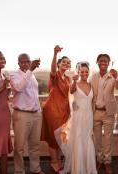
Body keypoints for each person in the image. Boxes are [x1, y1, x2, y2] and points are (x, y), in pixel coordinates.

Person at [57, 62, 97, 174]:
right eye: (82, 71)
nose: (84, 73)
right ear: (78, 72)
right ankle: (78, 169)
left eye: (86, 71)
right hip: (78, 116)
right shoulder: (75, 84)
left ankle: (89, 168)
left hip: (88, 116)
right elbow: (72, 91)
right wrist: (74, 81)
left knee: (87, 139)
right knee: (79, 140)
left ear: (88, 72)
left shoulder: (91, 85)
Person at [10, 54, 44, 174]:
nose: (25, 64)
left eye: (27, 61)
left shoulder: (32, 75)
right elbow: (19, 88)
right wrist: (30, 70)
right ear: (18, 63)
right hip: (22, 115)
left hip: (36, 114)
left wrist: (39, 110)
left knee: (35, 145)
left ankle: (36, 169)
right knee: (19, 147)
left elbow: (34, 94)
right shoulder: (13, 75)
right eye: (22, 62)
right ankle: (19, 171)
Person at [41, 45, 71, 173]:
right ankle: (54, 162)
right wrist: (54, 54)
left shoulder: (68, 78)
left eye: (68, 63)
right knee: (53, 138)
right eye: (63, 62)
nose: (66, 64)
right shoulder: (55, 75)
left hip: (64, 111)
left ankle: (58, 161)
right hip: (53, 110)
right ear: (59, 64)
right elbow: (52, 70)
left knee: (61, 138)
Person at [91, 54, 118, 174]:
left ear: (109, 63)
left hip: (108, 112)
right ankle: (100, 160)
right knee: (97, 139)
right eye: (101, 61)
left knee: (108, 139)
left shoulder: (113, 76)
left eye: (105, 61)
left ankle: (107, 162)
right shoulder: (93, 77)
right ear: (97, 62)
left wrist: (117, 77)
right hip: (96, 112)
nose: (103, 62)